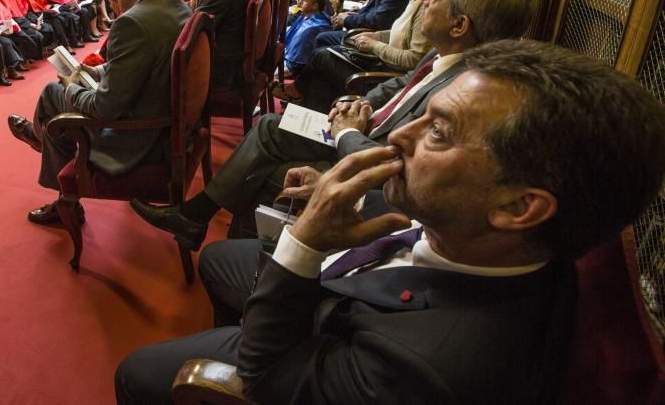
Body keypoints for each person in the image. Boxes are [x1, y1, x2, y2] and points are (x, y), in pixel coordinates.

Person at [115, 39, 665, 405]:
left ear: (519, 208)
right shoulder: (484, 231)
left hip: (303, 349)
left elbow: (268, 377)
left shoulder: (428, 367)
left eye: (439, 133)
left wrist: (303, 241)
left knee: (137, 372)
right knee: (215, 257)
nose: (400, 134)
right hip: (361, 287)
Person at [131, 0, 537, 251]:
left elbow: (397, 163)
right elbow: (399, 85)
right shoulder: (444, 54)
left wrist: (347, 133)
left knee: (269, 163)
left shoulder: (468, 93)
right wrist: (354, 100)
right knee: (272, 125)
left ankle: (230, 243)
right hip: (363, 130)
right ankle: (198, 218)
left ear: (459, 25)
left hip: (372, 167)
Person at [7, 0, 190, 225]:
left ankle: (50, 160)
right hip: (169, 122)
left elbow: (105, 109)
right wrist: (94, 72)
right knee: (60, 103)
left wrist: (72, 86)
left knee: (53, 98)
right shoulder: (178, 6)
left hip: (138, 139)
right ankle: (42, 137)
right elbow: (146, 61)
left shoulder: (132, 23)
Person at [281, 0, 446, 110]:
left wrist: (374, 45)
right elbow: (404, 34)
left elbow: (414, 59)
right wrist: (378, 35)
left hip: (388, 75)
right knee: (322, 62)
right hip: (385, 61)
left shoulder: (427, 5)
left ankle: (303, 104)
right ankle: (308, 112)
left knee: (322, 57)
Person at [282, 0, 330, 72]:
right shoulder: (312, 15)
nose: (299, 2)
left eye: (304, 0)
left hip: (294, 65)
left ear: (315, 6)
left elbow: (295, 63)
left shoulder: (310, 29)